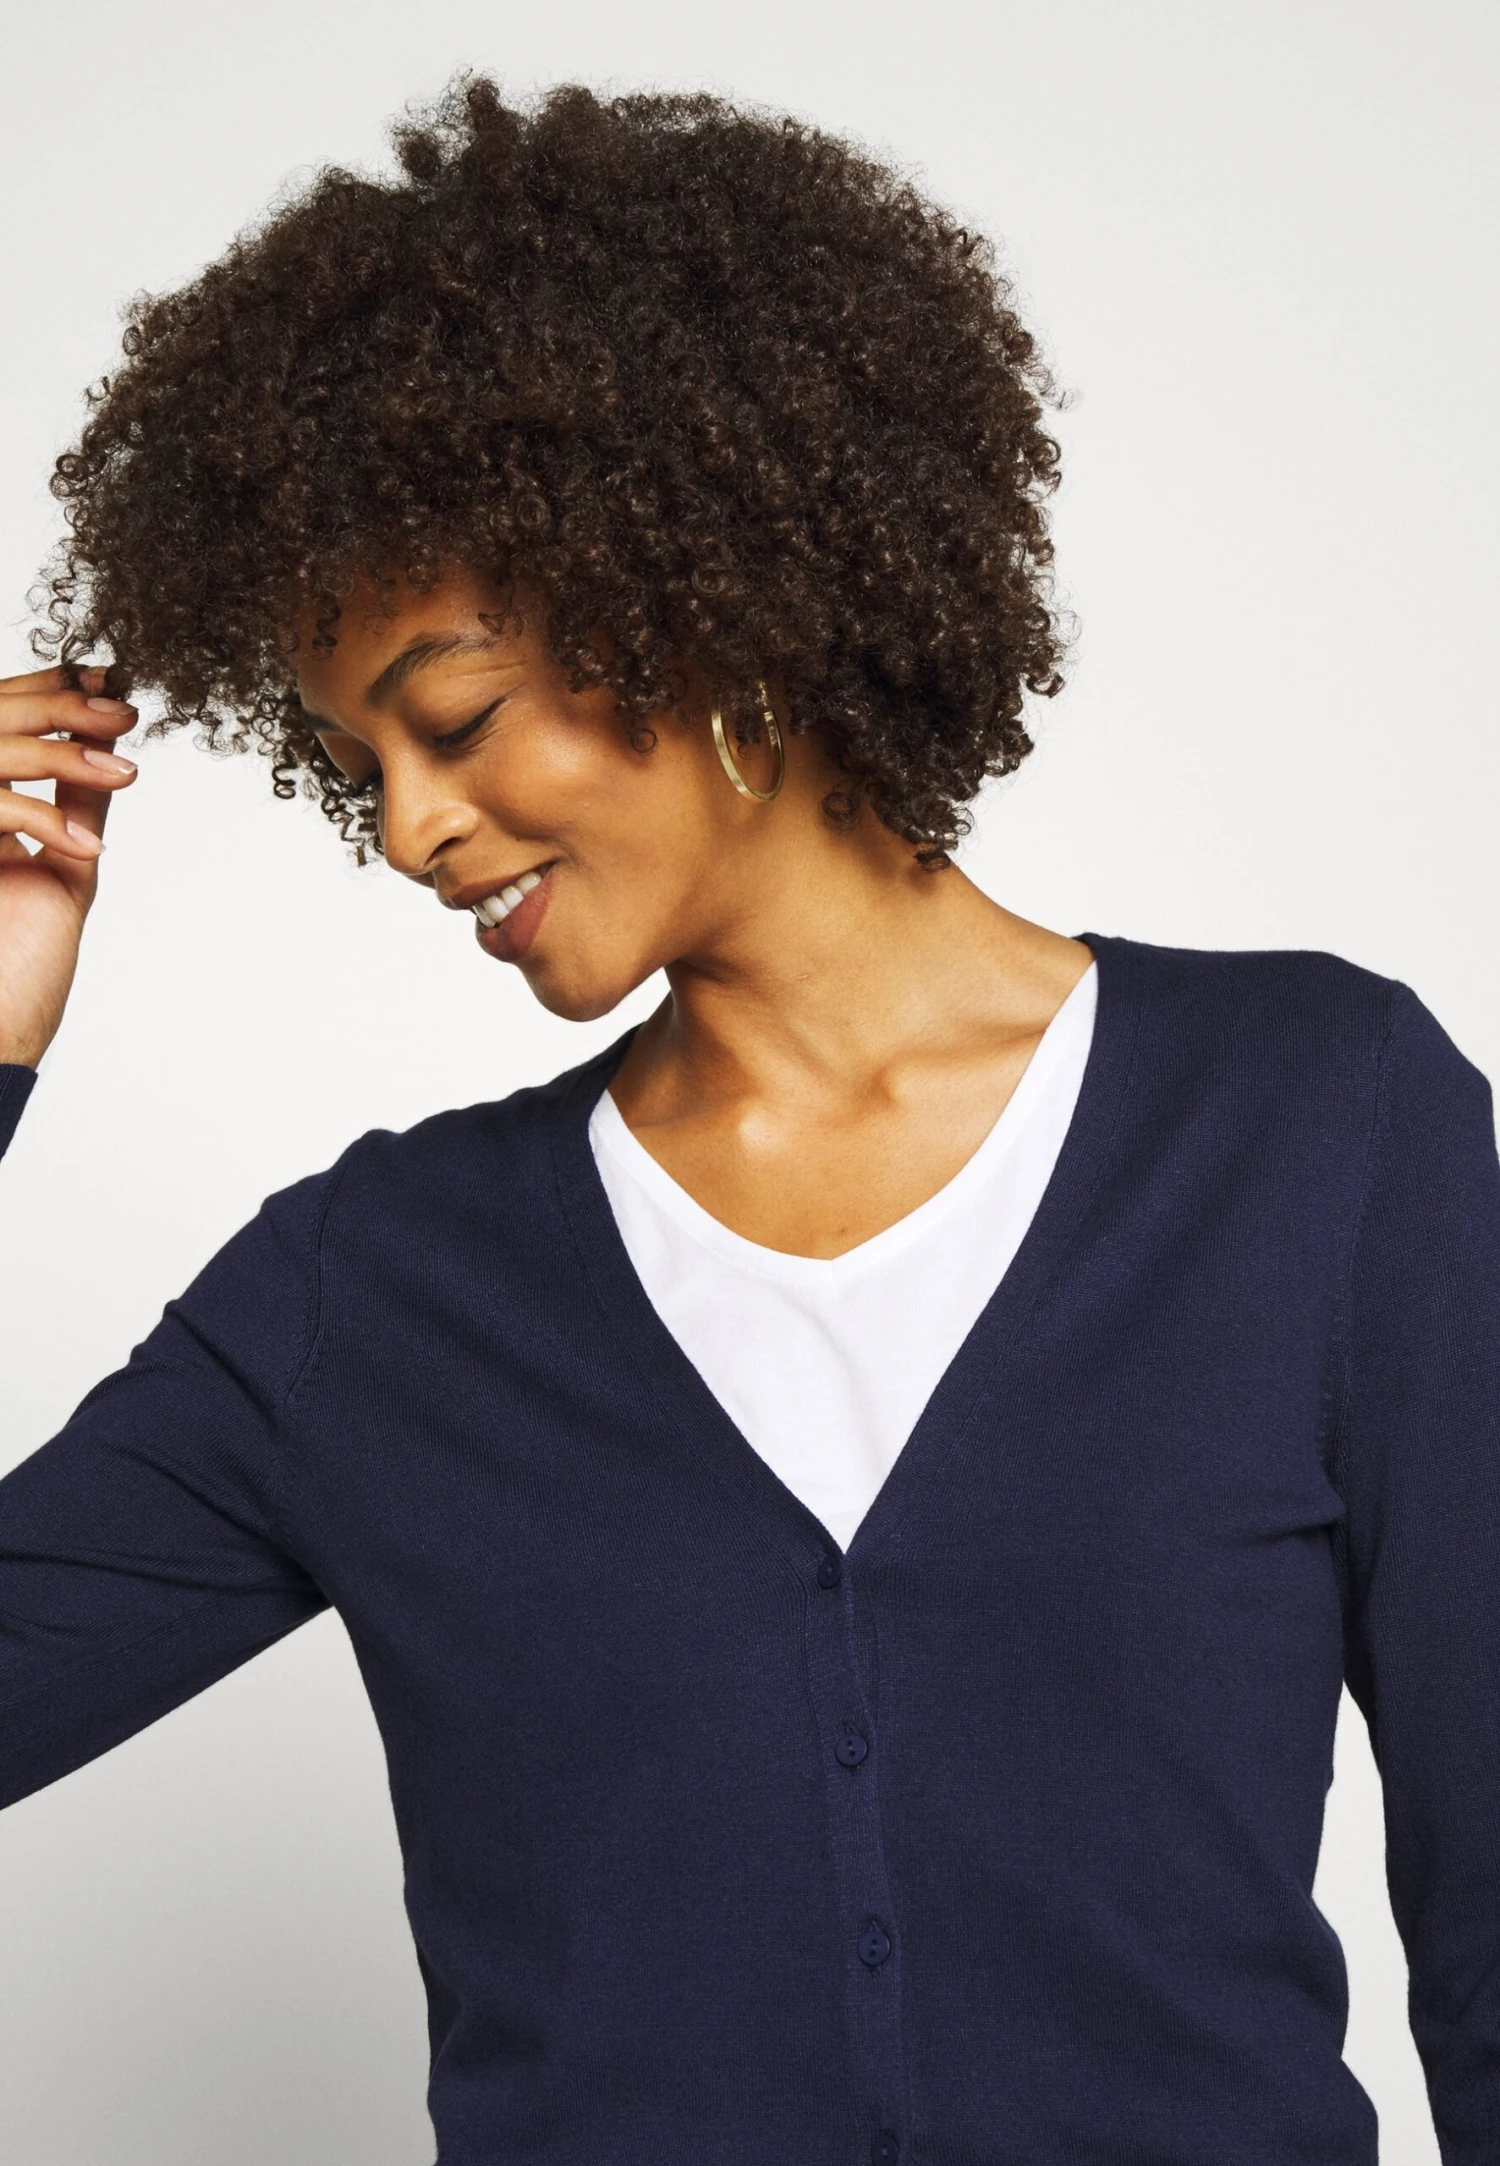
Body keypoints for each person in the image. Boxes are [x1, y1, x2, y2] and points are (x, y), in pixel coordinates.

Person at [1, 75, 1496, 2166]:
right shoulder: (373, 1293)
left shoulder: (1320, 1132)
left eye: (453, 719)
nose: (411, 831)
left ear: (695, 592)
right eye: (360, 774)